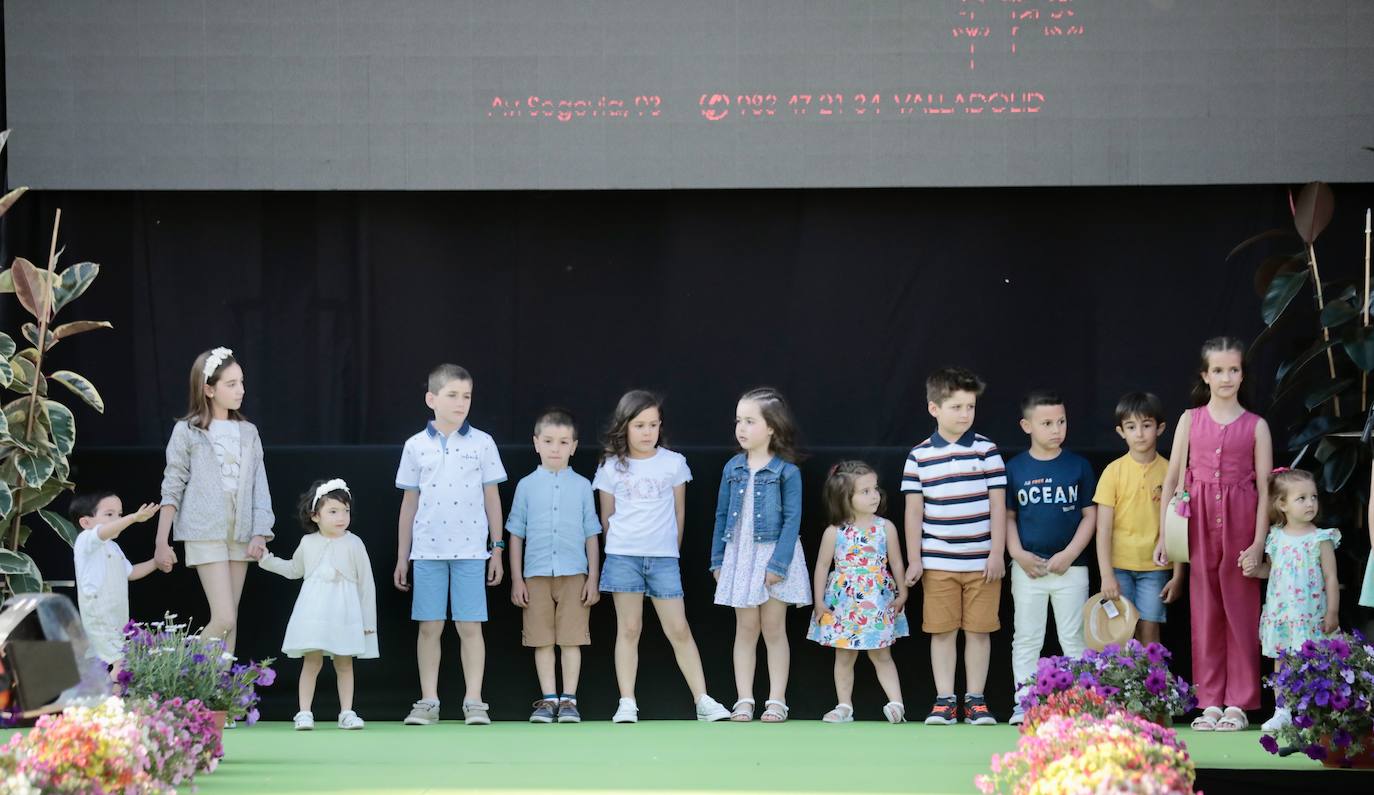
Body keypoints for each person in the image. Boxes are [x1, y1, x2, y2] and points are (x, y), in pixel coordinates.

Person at [1155, 337, 1271, 732]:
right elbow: (1172, 480)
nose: (1226, 377)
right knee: (1204, 613)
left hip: (1241, 524)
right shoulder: (1191, 419)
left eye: (1233, 370)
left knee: (1241, 612)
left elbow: (1266, 491)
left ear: (1243, 374)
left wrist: (1258, 543)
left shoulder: (1257, 426)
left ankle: (1238, 702)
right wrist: (1162, 539)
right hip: (1198, 524)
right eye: (1218, 370)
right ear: (1205, 375)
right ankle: (1209, 701)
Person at [594, 390, 729, 723]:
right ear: (624, 426)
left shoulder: (673, 463)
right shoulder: (611, 467)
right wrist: (620, 548)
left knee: (679, 629)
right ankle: (627, 702)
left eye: (653, 424)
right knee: (628, 629)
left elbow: (680, 513)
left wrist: (669, 549)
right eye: (639, 425)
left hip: (663, 559)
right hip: (623, 556)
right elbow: (606, 517)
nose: (647, 432)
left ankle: (703, 700)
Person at [394, 364, 507, 726]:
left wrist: (498, 547)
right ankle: (428, 700)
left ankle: (474, 700)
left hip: (472, 552)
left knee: (470, 626)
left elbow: (493, 497)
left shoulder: (482, 443)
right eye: (453, 395)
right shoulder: (415, 446)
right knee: (429, 627)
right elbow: (409, 504)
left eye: (467, 396)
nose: (461, 403)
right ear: (432, 399)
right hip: (427, 551)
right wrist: (402, 555)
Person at [902, 367, 1006, 726]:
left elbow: (998, 505)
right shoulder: (918, 456)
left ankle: (975, 699)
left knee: (979, 632)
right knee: (942, 631)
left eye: (970, 407)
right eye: (956, 407)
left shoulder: (986, 450)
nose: (965, 414)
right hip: (938, 562)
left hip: (982, 563)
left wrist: (996, 552)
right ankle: (944, 700)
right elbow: (914, 512)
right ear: (934, 408)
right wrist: (915, 560)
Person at [156, 346, 274, 657]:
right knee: (224, 617)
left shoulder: (248, 431)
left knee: (230, 622)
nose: (241, 391)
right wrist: (161, 541)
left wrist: (260, 531)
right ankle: (182, 673)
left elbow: (259, 486)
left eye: (242, 382)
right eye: (231, 384)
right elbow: (173, 484)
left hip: (241, 530)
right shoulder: (187, 431)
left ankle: (219, 695)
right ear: (208, 389)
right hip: (203, 529)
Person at [709, 387, 810, 723]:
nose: (741, 428)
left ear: (771, 427)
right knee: (746, 628)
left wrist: (778, 564)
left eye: (750, 421)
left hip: (773, 556)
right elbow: (722, 515)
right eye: (739, 420)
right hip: (741, 555)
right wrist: (717, 560)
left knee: (773, 628)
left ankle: (776, 700)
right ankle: (744, 699)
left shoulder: (787, 472)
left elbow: (792, 521)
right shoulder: (732, 468)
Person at [255, 479, 378, 731]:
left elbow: (367, 585)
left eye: (345, 511)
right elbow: (293, 569)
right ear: (315, 515)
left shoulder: (355, 543)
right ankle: (304, 712)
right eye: (333, 511)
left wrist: (367, 622)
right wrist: (266, 560)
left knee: (344, 662)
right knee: (312, 662)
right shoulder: (308, 543)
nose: (341, 517)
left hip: (344, 612)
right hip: (314, 612)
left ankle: (346, 712)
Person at [1005, 390, 1097, 725]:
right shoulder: (1015, 468)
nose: (1056, 428)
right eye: (1046, 423)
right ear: (1027, 425)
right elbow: (1009, 517)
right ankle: (1025, 702)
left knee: (1074, 637)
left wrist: (1070, 554)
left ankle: (1082, 702)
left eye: (1061, 421)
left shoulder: (1078, 465)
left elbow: (1090, 515)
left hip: (1070, 569)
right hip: (1028, 568)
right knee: (1027, 636)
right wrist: (1017, 554)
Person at [507, 409, 601, 724]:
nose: (555, 448)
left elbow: (592, 534)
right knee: (542, 639)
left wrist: (593, 578)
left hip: (575, 573)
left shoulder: (584, 486)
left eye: (563, 442)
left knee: (572, 638)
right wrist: (517, 579)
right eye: (548, 441)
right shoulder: (526, 485)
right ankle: (548, 700)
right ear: (536, 443)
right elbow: (516, 535)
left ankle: (569, 700)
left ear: (574, 446)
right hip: (535, 575)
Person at [807, 461, 909, 723]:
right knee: (844, 654)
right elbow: (821, 566)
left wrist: (902, 592)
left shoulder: (885, 528)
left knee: (882, 653)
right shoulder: (834, 532)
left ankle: (896, 703)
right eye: (865, 491)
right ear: (845, 497)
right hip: (843, 603)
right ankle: (844, 706)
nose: (874, 495)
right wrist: (818, 601)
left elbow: (897, 562)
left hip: (877, 600)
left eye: (875, 489)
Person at [1241, 468, 1340, 734]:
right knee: (1282, 662)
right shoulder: (1275, 538)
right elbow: (1271, 570)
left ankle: (1312, 713)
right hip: (1283, 615)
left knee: (1314, 664)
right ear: (1282, 504)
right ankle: (1282, 711)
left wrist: (1332, 611)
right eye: (1302, 498)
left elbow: (1331, 578)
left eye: (1314, 497)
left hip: (1311, 616)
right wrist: (1254, 570)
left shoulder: (1321, 538)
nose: (1310, 503)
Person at [1095, 392, 1185, 646]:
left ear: (1160, 428)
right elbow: (1102, 530)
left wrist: (1178, 575)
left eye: (1146, 425)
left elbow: (1178, 529)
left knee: (1149, 632)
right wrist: (1106, 575)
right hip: (1119, 567)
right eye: (1131, 427)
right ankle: (1125, 687)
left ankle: (1152, 686)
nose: (1140, 434)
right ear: (1121, 431)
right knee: (1121, 633)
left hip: (1155, 569)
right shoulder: (1113, 472)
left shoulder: (1171, 472)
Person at [71, 492, 162, 668]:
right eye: (109, 514)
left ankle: (109, 692)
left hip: (117, 621)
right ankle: (113, 692)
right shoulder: (85, 540)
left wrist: (155, 563)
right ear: (86, 522)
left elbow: (131, 572)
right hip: (99, 620)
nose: (117, 519)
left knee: (117, 662)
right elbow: (102, 532)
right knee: (119, 663)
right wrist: (133, 518)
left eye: (119, 514)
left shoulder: (114, 547)